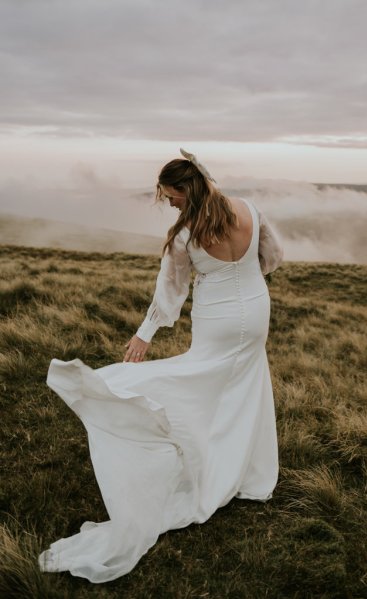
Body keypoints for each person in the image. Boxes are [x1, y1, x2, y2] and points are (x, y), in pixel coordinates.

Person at [38, 148, 284, 584]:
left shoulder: (186, 236)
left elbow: (170, 293)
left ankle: (204, 464)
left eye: (171, 197)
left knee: (199, 385)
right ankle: (250, 476)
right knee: (244, 388)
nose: (168, 204)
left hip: (218, 320)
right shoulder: (249, 208)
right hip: (256, 311)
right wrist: (246, 280)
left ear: (186, 191)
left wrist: (144, 334)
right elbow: (272, 256)